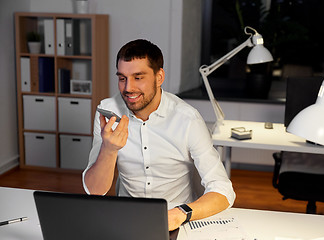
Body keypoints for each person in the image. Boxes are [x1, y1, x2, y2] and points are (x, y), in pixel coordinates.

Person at [82, 39, 236, 231]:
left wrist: (179, 214)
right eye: (122, 78)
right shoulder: (107, 112)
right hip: (127, 220)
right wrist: (109, 149)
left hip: (178, 220)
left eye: (138, 77)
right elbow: (94, 191)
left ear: (159, 77)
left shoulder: (188, 119)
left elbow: (223, 190)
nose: (128, 88)